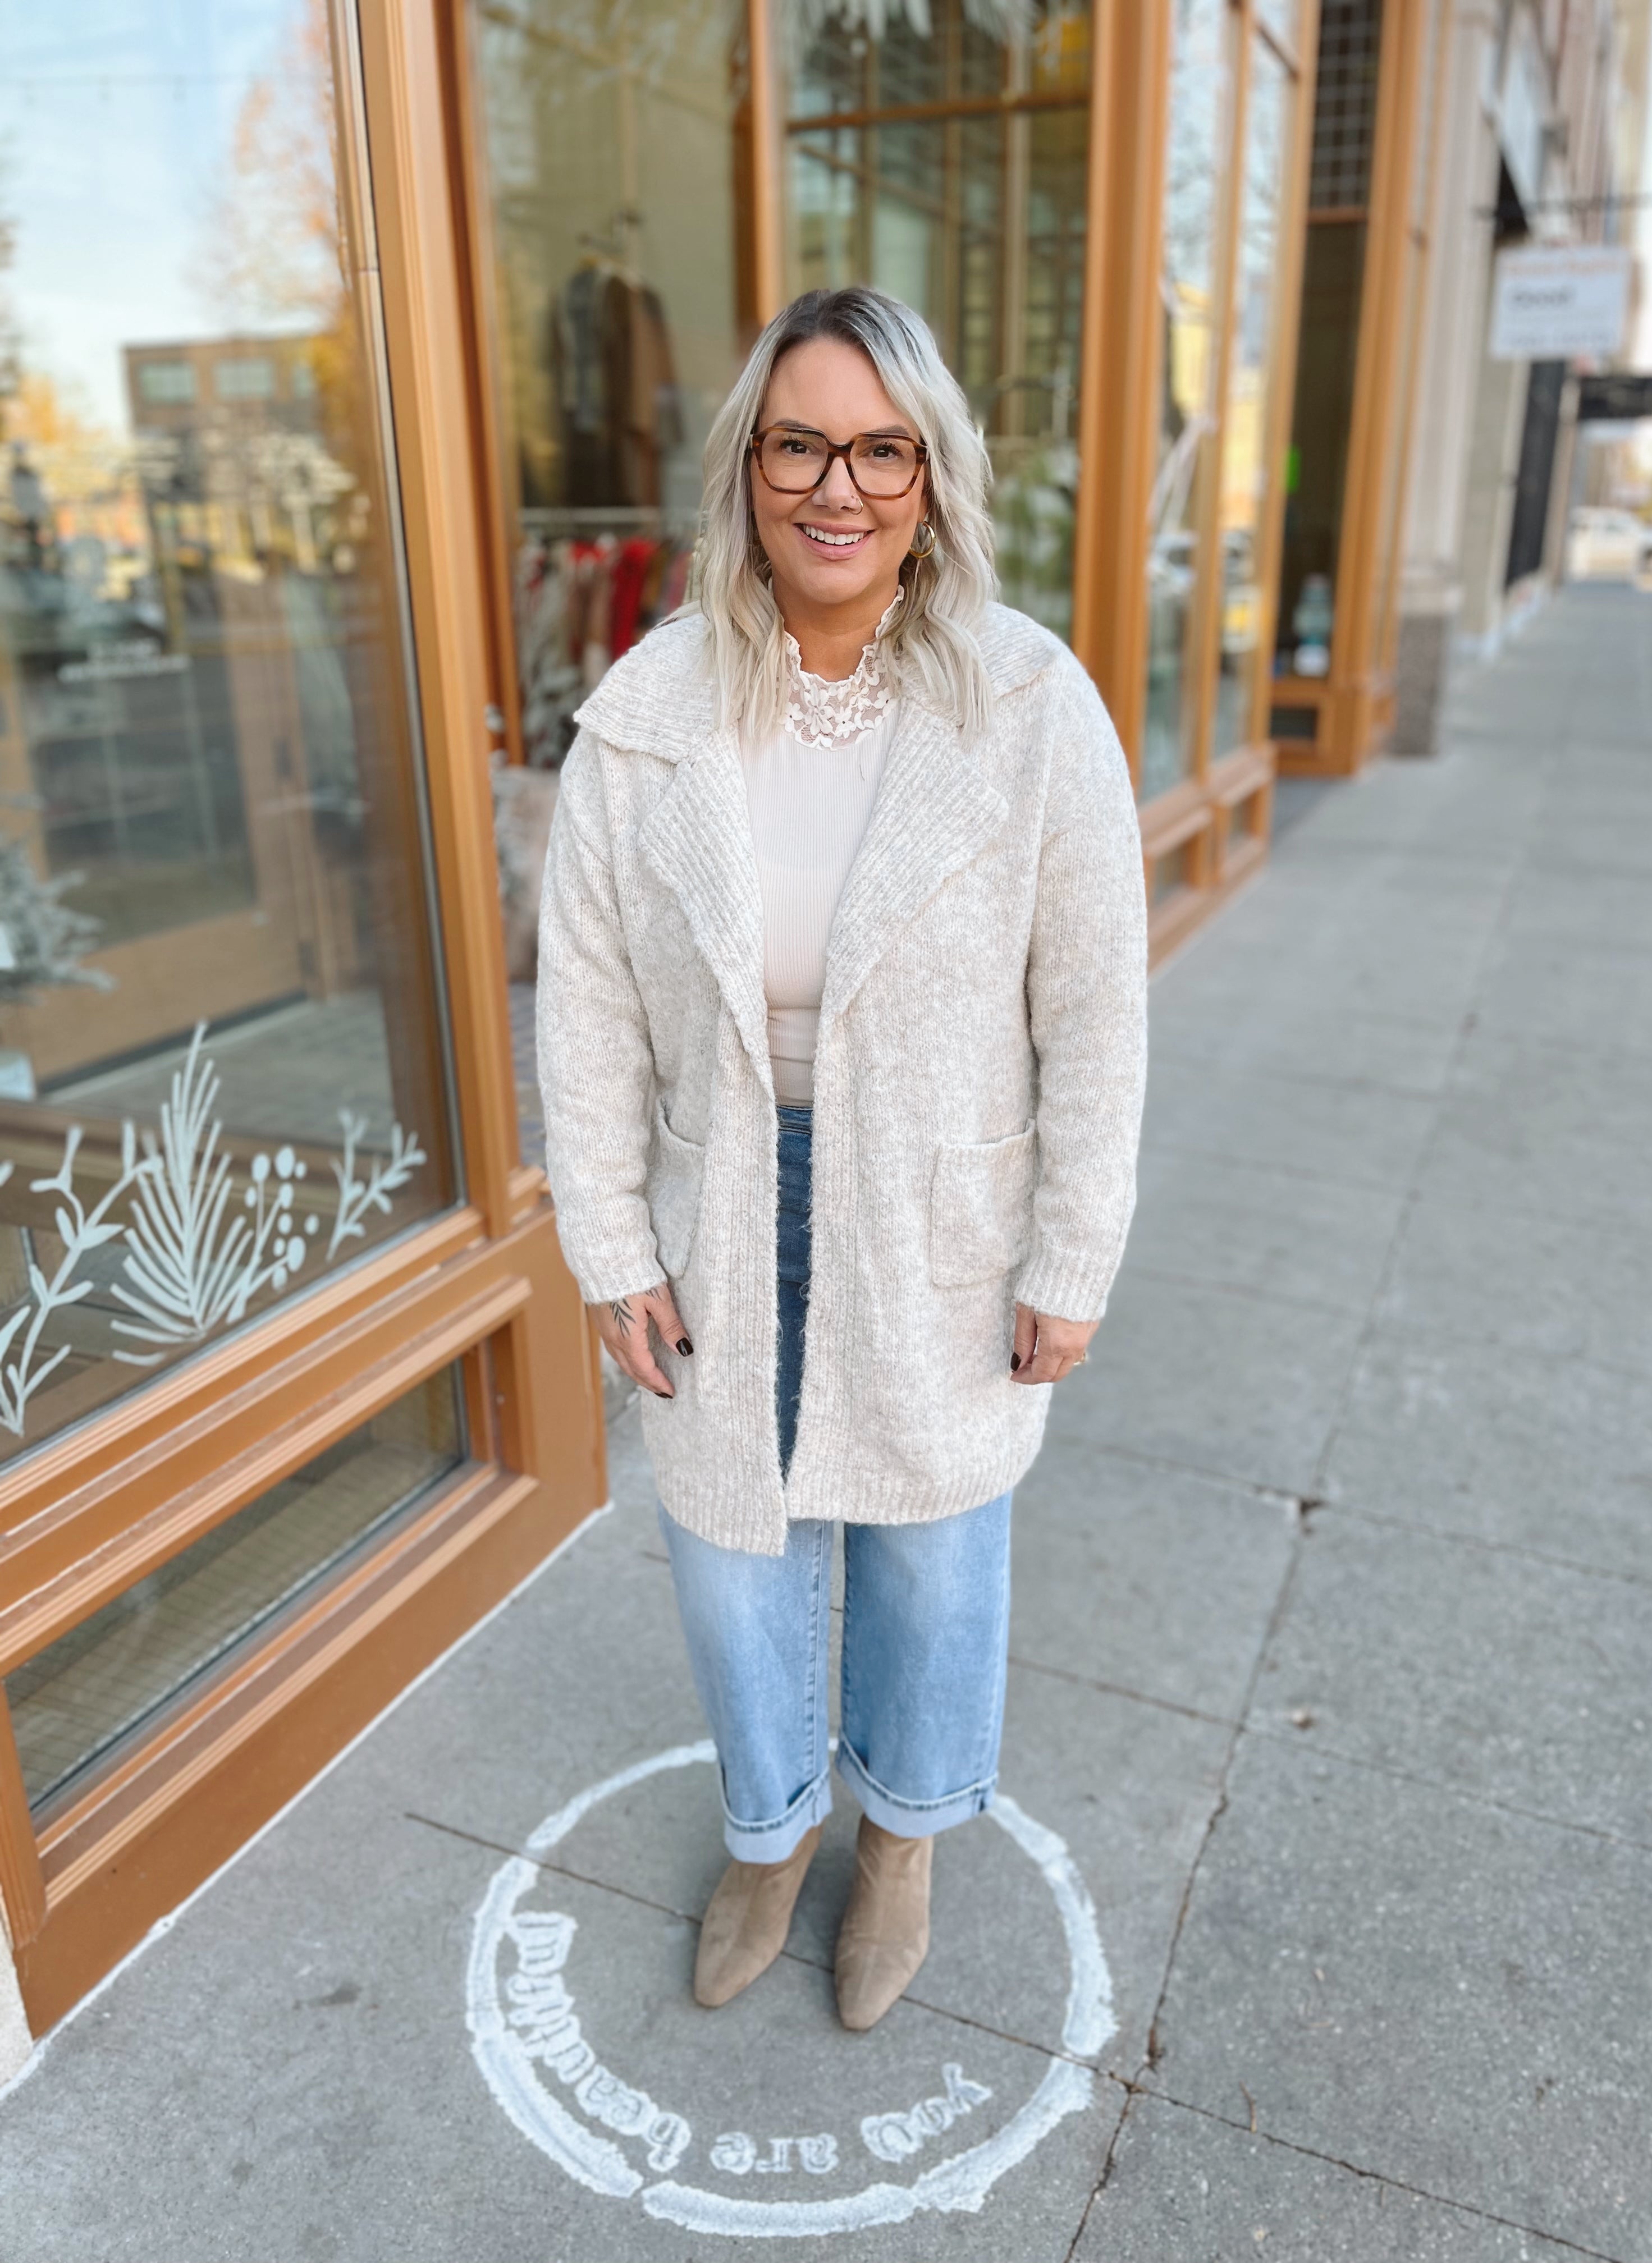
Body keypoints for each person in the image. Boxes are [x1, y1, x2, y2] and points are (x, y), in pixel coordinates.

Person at [537, 285, 1146, 2033]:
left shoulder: (1031, 704)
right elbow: (581, 1003)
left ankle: (904, 1845)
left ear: (933, 481)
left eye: (884, 450)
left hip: (938, 1204)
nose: (840, 486)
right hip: (720, 1204)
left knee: (934, 1566)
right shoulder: (649, 713)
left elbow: (1097, 1007)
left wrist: (1072, 1254)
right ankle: (771, 1836)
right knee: (737, 1566)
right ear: (748, 466)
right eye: (802, 441)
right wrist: (605, 1239)